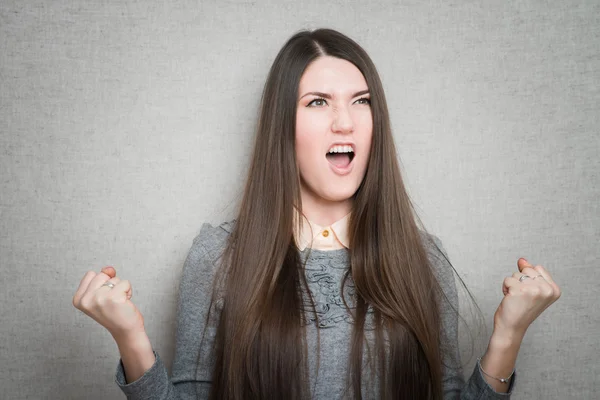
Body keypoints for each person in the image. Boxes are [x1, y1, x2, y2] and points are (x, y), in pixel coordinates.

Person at [72, 28, 561, 399]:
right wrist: (129, 337)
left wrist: (509, 333)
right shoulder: (219, 256)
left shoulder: (423, 259)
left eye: (361, 101)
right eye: (318, 102)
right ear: (282, 126)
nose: (344, 121)